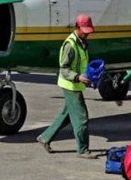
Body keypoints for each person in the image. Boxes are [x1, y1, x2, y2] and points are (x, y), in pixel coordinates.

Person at [38, 14, 98, 158]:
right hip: (70, 85)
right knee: (81, 118)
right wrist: (78, 77)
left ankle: (45, 138)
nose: (87, 34)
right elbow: (63, 69)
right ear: (77, 28)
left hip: (76, 84)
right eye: (85, 31)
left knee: (67, 115)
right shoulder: (70, 45)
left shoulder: (81, 42)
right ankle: (83, 150)